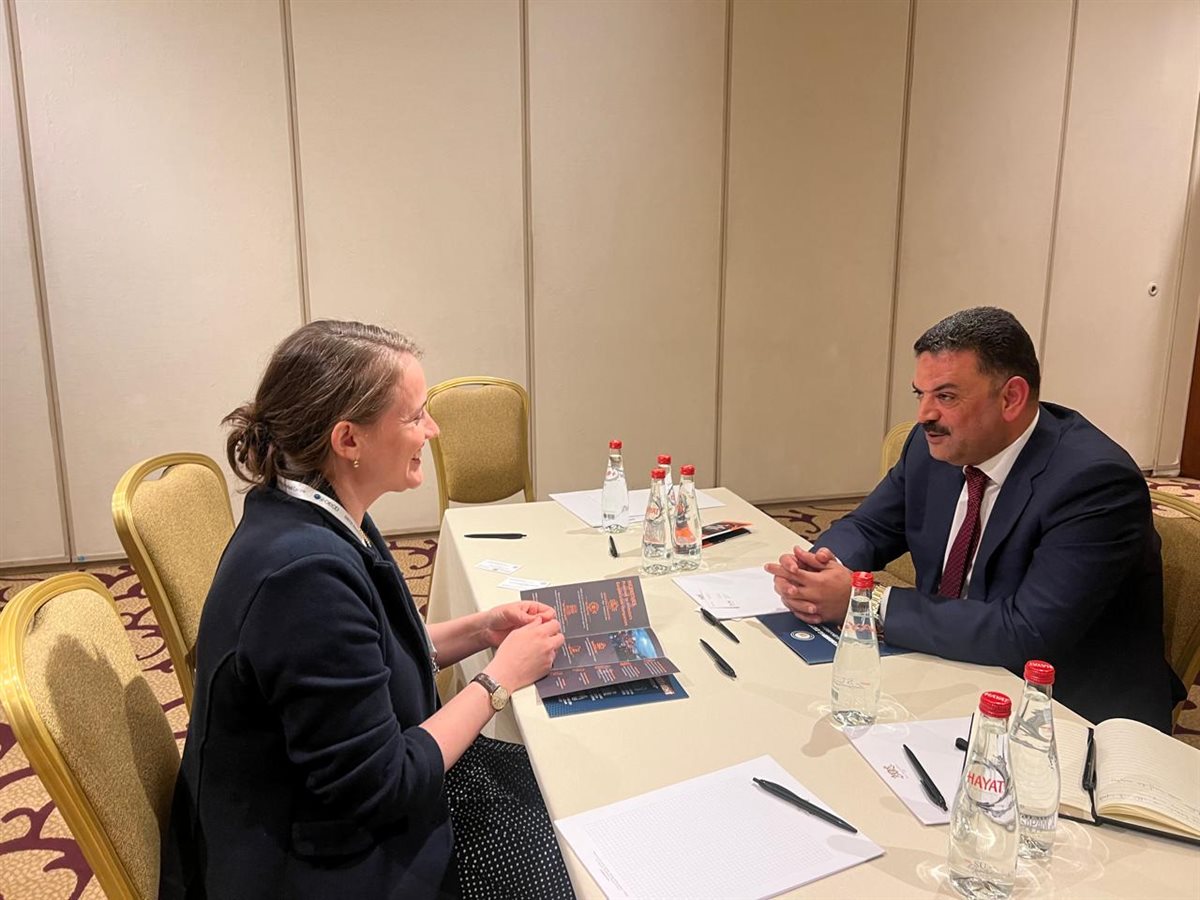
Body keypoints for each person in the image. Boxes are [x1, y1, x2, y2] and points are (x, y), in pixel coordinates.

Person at [160, 320, 572, 898]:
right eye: (415, 416)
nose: (432, 430)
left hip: (334, 814)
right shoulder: (302, 578)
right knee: (569, 852)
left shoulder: (315, 510)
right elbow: (384, 785)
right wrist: (499, 680)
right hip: (318, 863)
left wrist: (483, 629)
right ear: (348, 440)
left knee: (558, 789)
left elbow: (371, 655)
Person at [767, 307, 1183, 732]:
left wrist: (865, 603)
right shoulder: (933, 446)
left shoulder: (1094, 481)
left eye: (946, 397)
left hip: (1061, 710)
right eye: (920, 394)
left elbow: (1028, 633)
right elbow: (871, 527)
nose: (925, 415)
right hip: (948, 661)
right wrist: (816, 569)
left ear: (1011, 398)